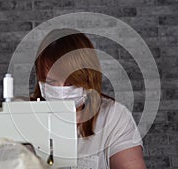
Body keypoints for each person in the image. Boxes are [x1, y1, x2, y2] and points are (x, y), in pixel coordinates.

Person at [30, 28, 146, 169]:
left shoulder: (114, 116)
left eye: (70, 83)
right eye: (52, 82)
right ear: (40, 81)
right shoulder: (21, 114)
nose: (61, 90)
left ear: (88, 78)